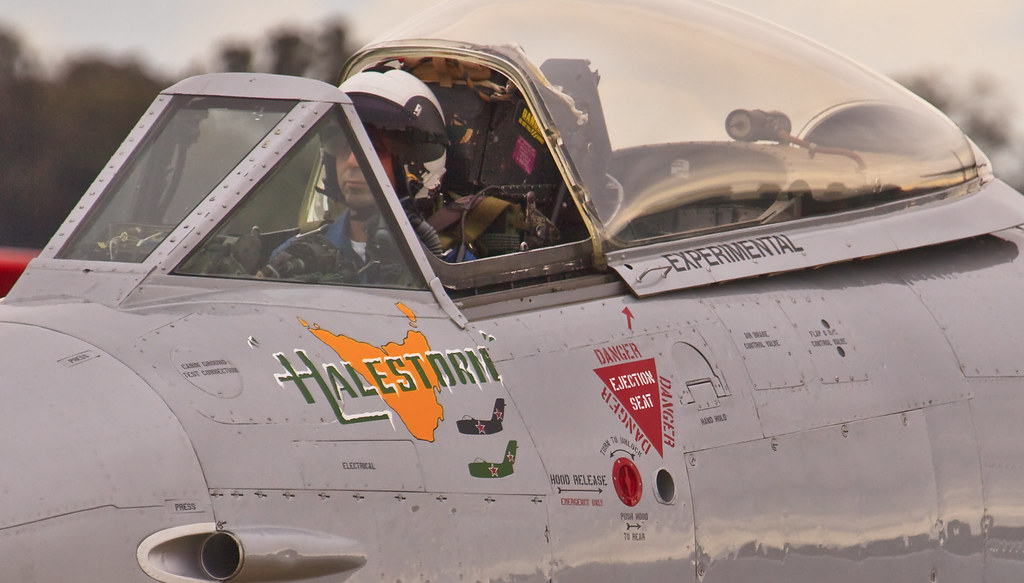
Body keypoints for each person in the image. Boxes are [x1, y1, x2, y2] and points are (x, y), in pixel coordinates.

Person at [258, 68, 448, 284]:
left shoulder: (455, 266)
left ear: (416, 164)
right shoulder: (294, 260)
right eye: (343, 147)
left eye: (373, 150)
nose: (352, 162)